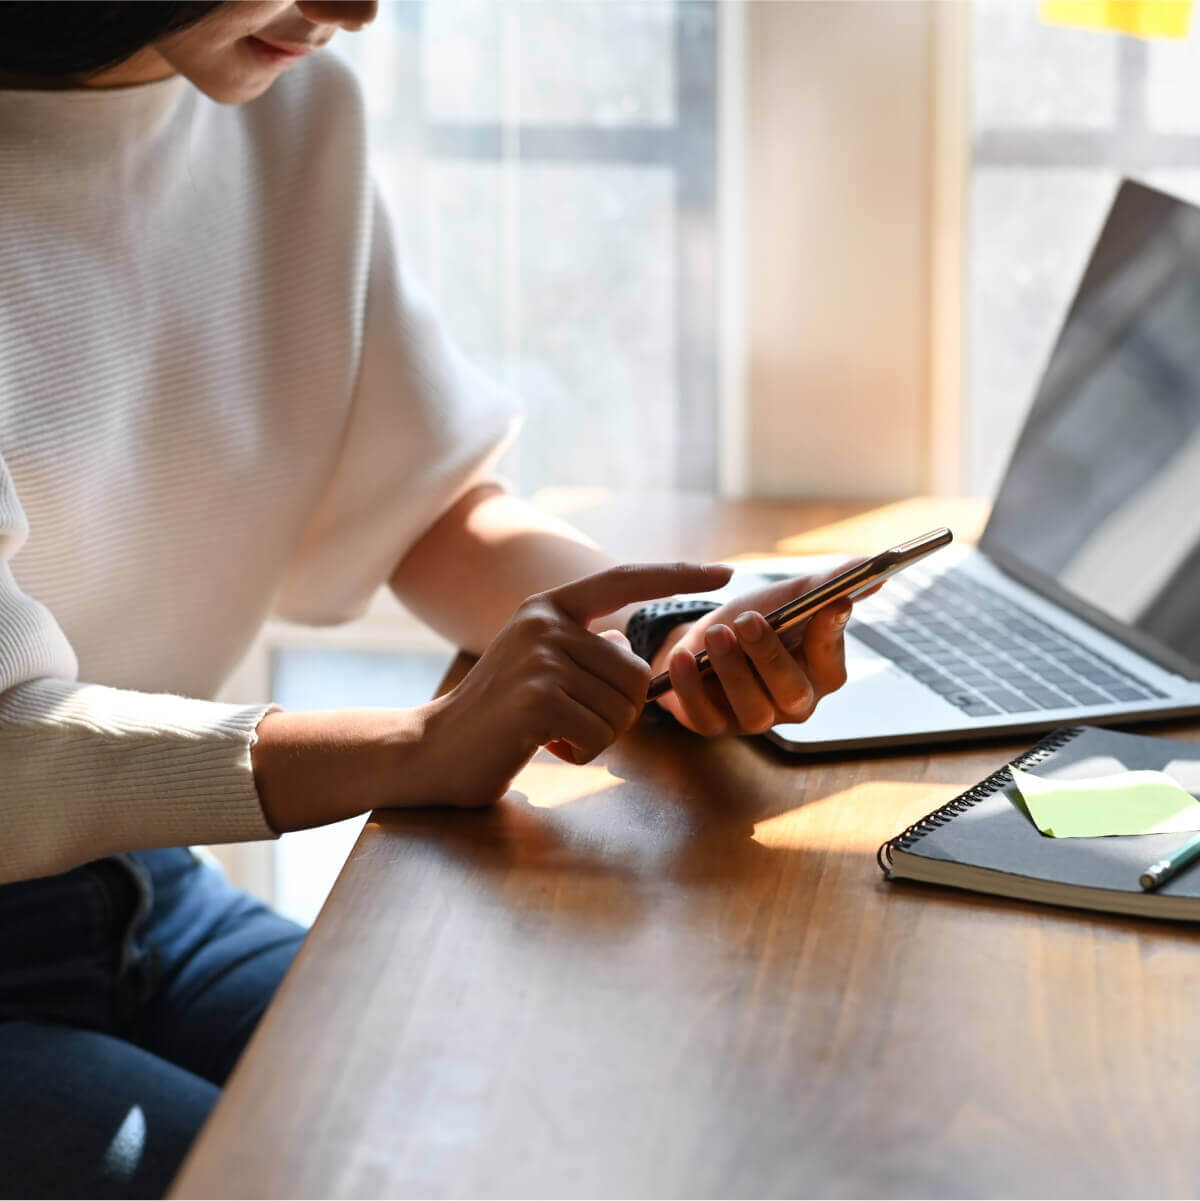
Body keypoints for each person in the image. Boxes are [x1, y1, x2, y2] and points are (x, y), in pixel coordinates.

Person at [0, 2, 861, 1195]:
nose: (358, 8)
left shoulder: (284, 106)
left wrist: (653, 639)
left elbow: (427, 507)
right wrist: (416, 742)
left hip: (143, 888)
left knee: (518, 1130)